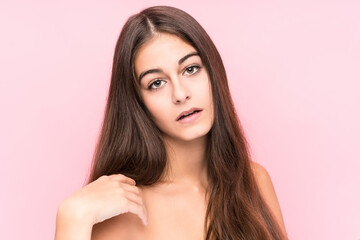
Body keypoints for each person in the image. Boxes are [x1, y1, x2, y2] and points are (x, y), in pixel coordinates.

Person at [55, 5, 287, 240]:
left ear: (214, 72)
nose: (180, 94)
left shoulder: (253, 180)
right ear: (138, 102)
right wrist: (72, 216)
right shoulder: (124, 208)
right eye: (157, 83)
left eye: (191, 69)